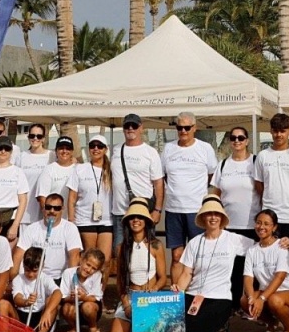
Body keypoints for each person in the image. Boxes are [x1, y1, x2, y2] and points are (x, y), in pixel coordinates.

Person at [172, 195, 254, 332]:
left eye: (217, 214)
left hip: (219, 297)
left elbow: (260, 247)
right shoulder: (194, 242)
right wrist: (179, 290)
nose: (213, 217)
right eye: (209, 214)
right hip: (194, 294)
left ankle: (221, 325)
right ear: (203, 217)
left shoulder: (233, 239)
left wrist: (281, 240)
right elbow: (186, 273)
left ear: (222, 218)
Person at [161, 111, 219, 282]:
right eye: (180, 128)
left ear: (195, 128)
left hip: (197, 210)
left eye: (187, 127)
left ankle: (198, 294)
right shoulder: (168, 148)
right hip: (174, 209)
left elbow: (212, 175)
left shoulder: (204, 148)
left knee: (199, 255)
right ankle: (178, 297)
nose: (183, 131)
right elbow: (163, 175)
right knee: (177, 255)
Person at [252, 113, 289, 282]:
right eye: (276, 131)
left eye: (282, 131)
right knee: (267, 257)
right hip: (269, 216)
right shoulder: (263, 156)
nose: (279, 135)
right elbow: (259, 184)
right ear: (271, 131)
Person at [242, 209, 289, 332]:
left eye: (266, 224)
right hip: (268, 292)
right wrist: (250, 298)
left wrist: (262, 298)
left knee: (274, 300)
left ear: (274, 227)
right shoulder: (252, 250)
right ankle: (272, 324)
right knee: (244, 300)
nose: (262, 227)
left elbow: (280, 276)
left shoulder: (281, 246)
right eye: (259, 223)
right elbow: (248, 277)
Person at [109, 199, 168, 332]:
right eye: (132, 218)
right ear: (128, 221)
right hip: (130, 296)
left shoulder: (156, 245)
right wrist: (126, 304)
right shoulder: (122, 247)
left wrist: (155, 289)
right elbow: (121, 281)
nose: (136, 220)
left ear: (146, 221)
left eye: (140, 217)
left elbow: (163, 278)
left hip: (149, 296)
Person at [212, 125, 258, 308]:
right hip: (229, 225)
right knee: (231, 269)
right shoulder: (223, 164)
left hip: (253, 225)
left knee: (251, 269)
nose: (237, 141)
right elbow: (215, 193)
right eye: (233, 138)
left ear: (247, 140)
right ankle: (232, 307)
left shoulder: (255, 162)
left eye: (241, 138)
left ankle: (251, 305)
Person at [109, 113, 164, 248]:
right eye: (127, 126)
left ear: (141, 128)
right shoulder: (116, 150)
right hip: (119, 213)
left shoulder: (150, 152)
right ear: (123, 129)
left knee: (145, 252)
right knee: (119, 252)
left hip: (142, 213)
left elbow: (158, 183)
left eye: (134, 125)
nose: (130, 129)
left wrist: (157, 210)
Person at [16, 192, 82, 282]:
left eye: (56, 208)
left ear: (62, 209)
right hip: (34, 278)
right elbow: (18, 255)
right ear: (44, 208)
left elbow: (74, 256)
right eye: (48, 207)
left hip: (58, 278)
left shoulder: (70, 228)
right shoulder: (31, 228)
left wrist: (70, 283)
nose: (52, 211)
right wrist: (15, 280)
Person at [4, 246, 60, 332]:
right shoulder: (18, 279)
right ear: (23, 265)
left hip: (40, 318)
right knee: (4, 303)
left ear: (42, 267)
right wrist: (26, 302)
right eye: (27, 270)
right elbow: (17, 298)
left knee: (51, 301)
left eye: (35, 271)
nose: (30, 274)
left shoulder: (46, 278)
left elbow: (58, 293)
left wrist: (47, 311)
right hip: (21, 317)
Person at [68, 134, 113, 258]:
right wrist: (71, 220)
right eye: (93, 146)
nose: (96, 149)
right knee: (90, 258)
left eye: (100, 146)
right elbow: (72, 197)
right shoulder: (80, 169)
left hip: (107, 220)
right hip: (85, 219)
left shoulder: (111, 170)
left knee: (105, 260)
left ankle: (103, 279)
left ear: (105, 149)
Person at [57, 248, 105, 332]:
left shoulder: (97, 276)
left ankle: (92, 326)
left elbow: (96, 298)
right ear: (82, 260)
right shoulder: (68, 273)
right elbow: (63, 298)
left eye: (93, 268)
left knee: (88, 307)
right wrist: (72, 297)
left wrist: (84, 297)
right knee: (66, 308)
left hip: (89, 308)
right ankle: (73, 328)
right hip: (72, 305)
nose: (89, 269)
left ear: (97, 270)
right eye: (88, 265)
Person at [16, 123, 56, 228]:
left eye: (39, 136)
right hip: (24, 213)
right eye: (32, 136)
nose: (35, 138)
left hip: (45, 211)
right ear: (28, 137)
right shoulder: (21, 156)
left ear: (43, 138)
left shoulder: (52, 156)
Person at [37, 135, 79, 210]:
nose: (64, 151)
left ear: (72, 151)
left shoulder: (79, 169)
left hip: (76, 219)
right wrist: (50, 216)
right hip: (54, 219)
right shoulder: (48, 169)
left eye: (68, 149)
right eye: (61, 148)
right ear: (56, 151)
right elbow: (42, 198)